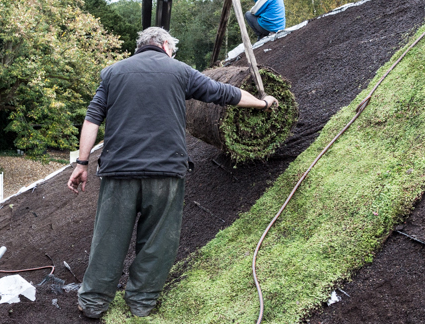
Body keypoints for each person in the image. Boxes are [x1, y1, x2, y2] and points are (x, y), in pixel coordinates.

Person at [67, 27, 278, 319]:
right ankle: (141, 302)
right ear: (166, 45)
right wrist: (261, 102)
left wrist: (82, 163)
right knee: (158, 240)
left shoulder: (113, 73)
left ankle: (92, 303)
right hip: (165, 172)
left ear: (141, 46)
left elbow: (92, 119)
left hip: (119, 172)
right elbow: (223, 94)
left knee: (109, 238)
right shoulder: (180, 71)